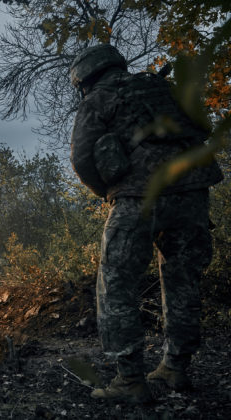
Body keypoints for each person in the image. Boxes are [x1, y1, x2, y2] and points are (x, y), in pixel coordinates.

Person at [68, 44, 223, 403]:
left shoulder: (99, 98)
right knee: (183, 280)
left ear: (85, 79)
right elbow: (203, 125)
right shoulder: (162, 88)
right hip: (193, 191)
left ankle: (130, 381)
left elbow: (81, 156)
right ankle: (175, 368)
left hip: (139, 197)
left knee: (117, 282)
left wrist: (109, 189)